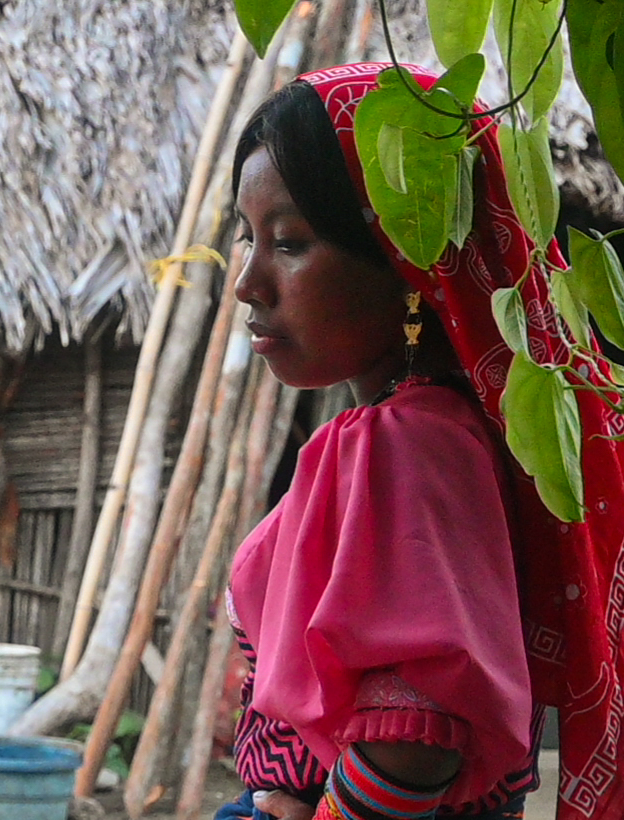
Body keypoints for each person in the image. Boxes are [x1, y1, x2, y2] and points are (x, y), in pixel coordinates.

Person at [218, 63, 624, 820]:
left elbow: (414, 735)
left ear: (408, 264)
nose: (247, 281)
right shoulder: (424, 432)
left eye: (290, 243)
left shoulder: (406, 446)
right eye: (247, 238)